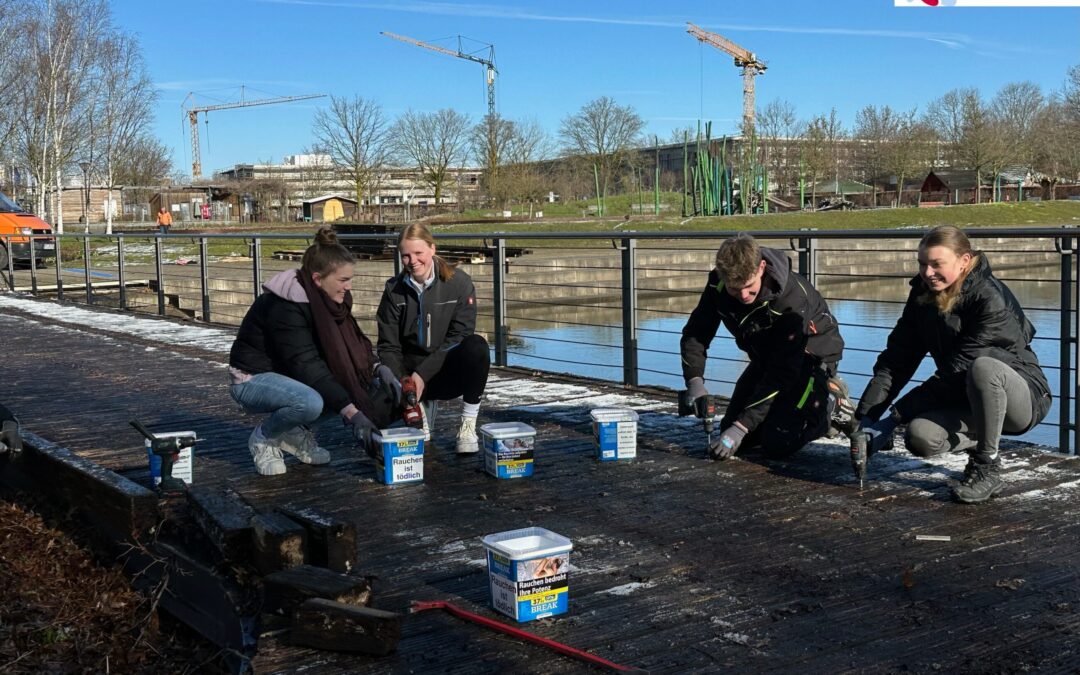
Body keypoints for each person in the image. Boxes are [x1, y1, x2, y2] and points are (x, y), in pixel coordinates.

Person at [850, 226, 1051, 504]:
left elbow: (957, 369)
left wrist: (894, 417)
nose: (927, 272)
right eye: (922, 264)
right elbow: (897, 360)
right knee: (920, 436)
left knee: (983, 367)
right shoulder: (923, 296)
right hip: (964, 396)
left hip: (1021, 398)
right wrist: (868, 419)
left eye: (936, 264)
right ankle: (983, 444)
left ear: (965, 261)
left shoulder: (989, 299)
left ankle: (987, 467)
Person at [229, 228, 401, 476]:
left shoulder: (332, 301)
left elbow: (352, 346)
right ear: (318, 279)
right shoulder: (285, 306)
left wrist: (377, 368)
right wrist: (353, 414)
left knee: (358, 386)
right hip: (252, 378)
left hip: (291, 376)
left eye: (350, 279)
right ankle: (264, 438)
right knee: (311, 402)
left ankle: (293, 433)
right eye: (343, 280)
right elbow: (306, 364)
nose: (349, 287)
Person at [680, 233, 853, 461]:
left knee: (778, 442)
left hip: (810, 359)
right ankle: (780, 414)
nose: (743, 296)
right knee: (736, 438)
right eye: (734, 289)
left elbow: (783, 372)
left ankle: (831, 407)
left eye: (750, 287)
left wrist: (741, 427)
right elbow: (696, 332)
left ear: (761, 267)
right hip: (767, 358)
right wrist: (695, 382)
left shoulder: (790, 300)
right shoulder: (717, 284)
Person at [376, 223, 490, 454]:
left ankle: (468, 426)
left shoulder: (460, 283)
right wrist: (406, 382)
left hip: (444, 372)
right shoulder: (393, 290)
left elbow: (461, 335)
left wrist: (422, 374)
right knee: (374, 416)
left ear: (432, 249)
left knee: (477, 346)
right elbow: (388, 346)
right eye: (406, 256)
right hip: (410, 377)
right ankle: (416, 407)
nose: (412, 261)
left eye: (418, 253)